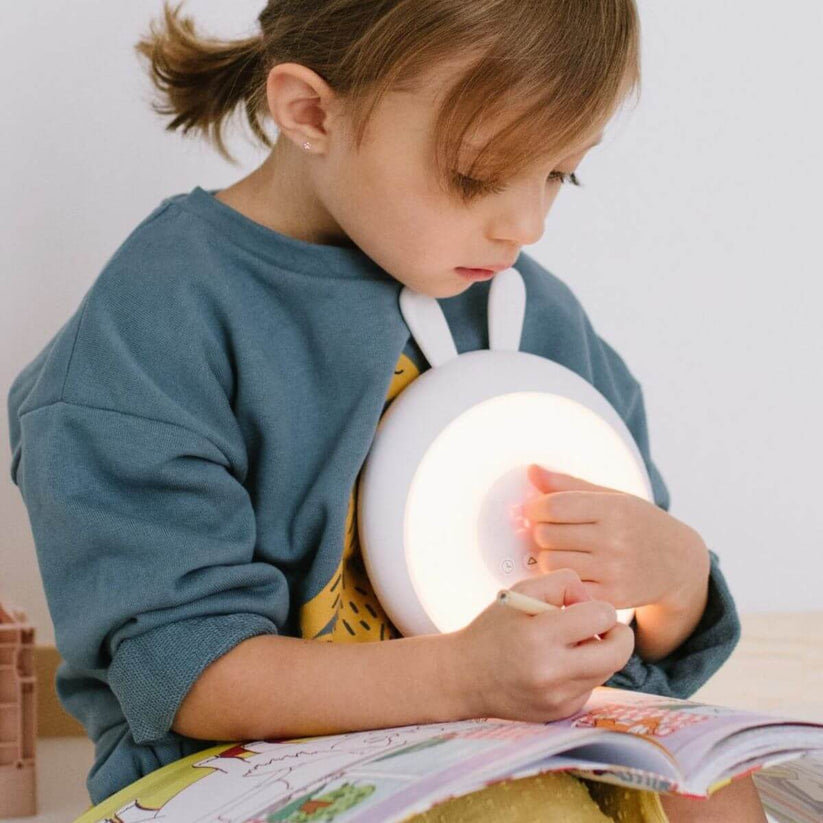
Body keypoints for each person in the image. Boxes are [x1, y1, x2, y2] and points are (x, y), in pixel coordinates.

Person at [6, 1, 767, 820]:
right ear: (310, 112)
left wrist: (675, 581)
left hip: (512, 741)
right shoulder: (160, 322)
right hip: (242, 777)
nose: (527, 225)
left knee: (714, 787)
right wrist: (462, 675)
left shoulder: (525, 313)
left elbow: (630, 651)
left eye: (558, 173)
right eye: (475, 174)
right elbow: (184, 673)